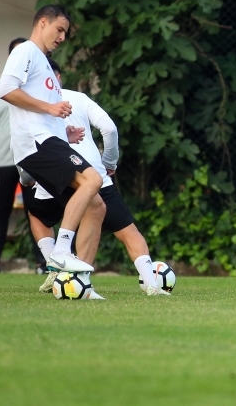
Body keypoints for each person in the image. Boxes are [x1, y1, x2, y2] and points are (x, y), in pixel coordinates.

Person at [25, 59, 170, 297]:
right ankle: (149, 282)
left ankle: (58, 264)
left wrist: (27, 176)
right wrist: (109, 163)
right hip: (94, 173)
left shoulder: (33, 108)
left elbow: (28, 149)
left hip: (57, 177)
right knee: (128, 231)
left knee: (38, 215)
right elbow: (110, 129)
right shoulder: (79, 98)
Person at [0, 4, 104, 274]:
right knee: (93, 180)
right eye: (60, 30)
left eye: (65, 33)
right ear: (42, 23)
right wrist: (50, 109)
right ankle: (60, 252)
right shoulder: (26, 51)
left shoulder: (44, 63)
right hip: (36, 143)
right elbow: (6, 89)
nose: (62, 38)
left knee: (96, 204)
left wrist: (62, 131)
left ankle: (80, 282)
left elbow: (43, 113)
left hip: (48, 140)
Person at [0, 37, 47, 274]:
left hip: (31, 158)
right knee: (1, 210)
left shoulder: (37, 87)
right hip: (4, 160)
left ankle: (44, 261)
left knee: (36, 209)